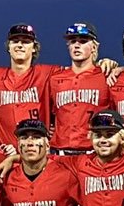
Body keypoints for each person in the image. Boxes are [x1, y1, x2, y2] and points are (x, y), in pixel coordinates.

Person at [47, 22, 113, 155]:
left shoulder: (107, 76)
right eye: (72, 41)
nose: (77, 45)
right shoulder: (55, 79)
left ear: (94, 47)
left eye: (83, 41)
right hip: (60, 153)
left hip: (94, 153)